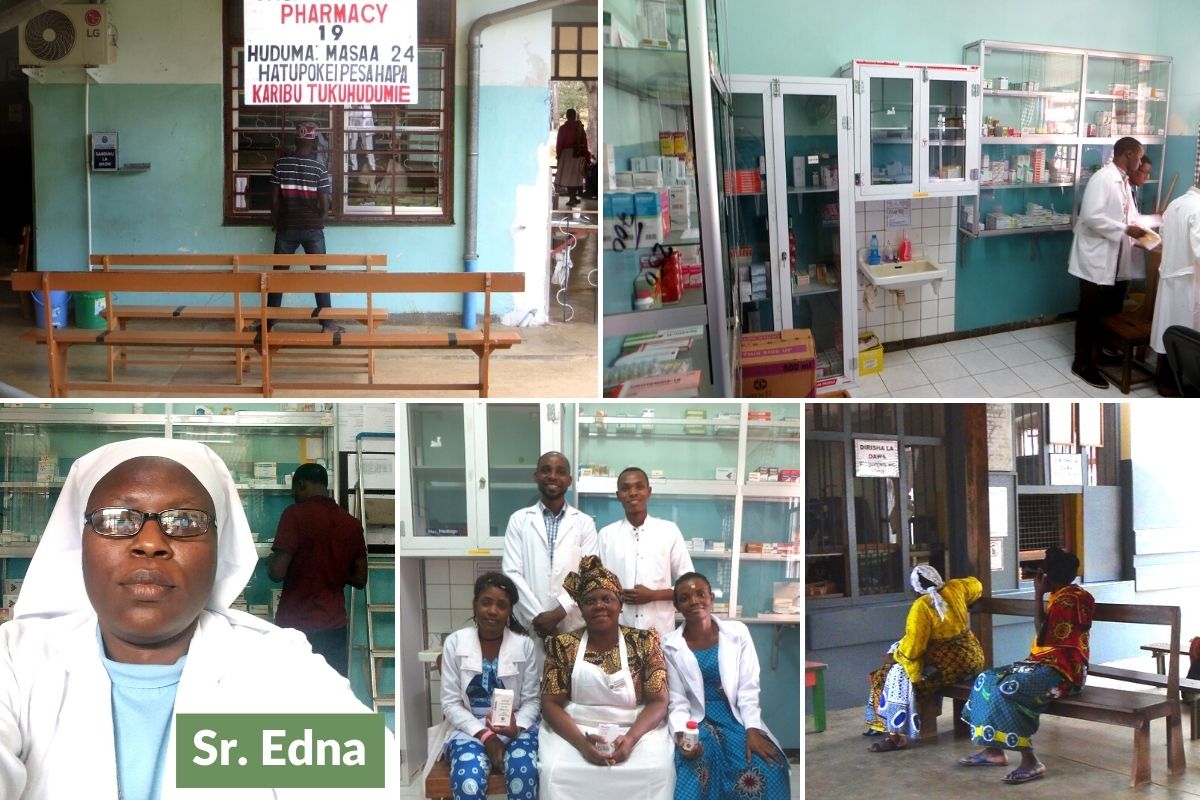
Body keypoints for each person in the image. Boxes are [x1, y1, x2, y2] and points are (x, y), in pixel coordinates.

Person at [0, 438, 395, 798]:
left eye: (185, 521)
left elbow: (366, 779)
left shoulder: (276, 665)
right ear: (78, 541)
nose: (150, 543)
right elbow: (358, 577)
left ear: (219, 547)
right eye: (117, 518)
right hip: (334, 620)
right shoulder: (16, 660)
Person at [539, 555, 675, 799]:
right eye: (590, 600)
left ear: (620, 603)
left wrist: (631, 739)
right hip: (577, 728)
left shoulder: (644, 642)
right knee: (555, 771)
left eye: (607, 598)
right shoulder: (563, 645)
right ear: (580, 608)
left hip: (634, 727)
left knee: (657, 771)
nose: (599, 605)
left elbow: (659, 701)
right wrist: (582, 745)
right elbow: (550, 704)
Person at [958, 546, 1094, 785]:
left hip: (1064, 675)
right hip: (1042, 665)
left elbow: (1042, 633)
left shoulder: (1069, 600)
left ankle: (1030, 761)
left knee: (1008, 689)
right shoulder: (1063, 595)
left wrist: (1037, 594)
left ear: (1048, 577)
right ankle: (993, 751)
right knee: (986, 679)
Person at [663, 572, 790, 800]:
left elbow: (748, 688)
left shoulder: (738, 633)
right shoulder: (669, 644)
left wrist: (752, 729)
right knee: (697, 767)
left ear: (711, 598)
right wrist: (683, 736)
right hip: (696, 720)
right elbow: (677, 700)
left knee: (771, 767)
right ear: (676, 605)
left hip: (734, 716)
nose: (694, 601)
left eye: (700, 594)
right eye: (685, 598)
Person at [428, 572, 540, 800]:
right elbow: (450, 703)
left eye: (502, 605)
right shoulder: (455, 643)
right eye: (486, 602)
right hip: (469, 727)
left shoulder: (524, 645)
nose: (492, 611)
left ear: (509, 612)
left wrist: (515, 728)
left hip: (515, 725)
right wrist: (486, 736)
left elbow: (532, 701)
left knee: (524, 771)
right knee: (467, 779)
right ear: (474, 605)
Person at [863, 564, 985, 751]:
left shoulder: (922, 607)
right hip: (971, 658)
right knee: (902, 675)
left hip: (944, 664)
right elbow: (976, 585)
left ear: (915, 589)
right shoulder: (956, 588)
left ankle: (894, 735)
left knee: (888, 677)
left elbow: (913, 648)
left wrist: (894, 656)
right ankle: (910, 720)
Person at [268, 461, 368, 677]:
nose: (293, 495)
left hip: (295, 625)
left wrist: (271, 559)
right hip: (334, 626)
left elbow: (276, 573)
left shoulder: (294, 515)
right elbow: (360, 579)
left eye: (294, 490)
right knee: (331, 698)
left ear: (301, 484)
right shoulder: (351, 523)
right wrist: (334, 568)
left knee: (291, 695)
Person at [1068, 136, 1149, 388]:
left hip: (1110, 257)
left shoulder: (1123, 182)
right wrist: (1126, 229)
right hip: (1094, 257)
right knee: (1089, 311)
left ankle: (1099, 353)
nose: (1140, 160)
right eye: (1139, 155)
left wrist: (1146, 227)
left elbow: (1130, 216)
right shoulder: (1102, 179)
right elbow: (1092, 216)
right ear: (1127, 154)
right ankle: (1081, 363)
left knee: (1106, 309)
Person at [502, 451, 598, 641]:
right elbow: (511, 573)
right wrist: (539, 619)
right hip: (529, 625)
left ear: (569, 480)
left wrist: (556, 615)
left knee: (571, 671)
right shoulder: (519, 520)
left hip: (572, 625)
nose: (553, 476)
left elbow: (589, 575)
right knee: (531, 671)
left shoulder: (584, 523)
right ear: (536, 476)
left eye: (560, 472)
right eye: (546, 470)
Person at [598, 467, 694, 638]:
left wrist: (652, 595)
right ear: (618, 495)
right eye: (626, 488)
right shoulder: (607, 535)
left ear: (649, 492)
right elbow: (598, 586)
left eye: (639, 487)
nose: (633, 493)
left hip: (659, 632)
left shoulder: (668, 531)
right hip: (619, 631)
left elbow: (688, 585)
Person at [269, 120, 343, 334]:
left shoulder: (280, 165)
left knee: (278, 276)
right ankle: (327, 324)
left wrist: (277, 222)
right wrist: (319, 220)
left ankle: (269, 323)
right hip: (312, 228)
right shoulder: (319, 168)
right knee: (320, 275)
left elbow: (273, 201)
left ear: (295, 140)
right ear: (314, 144)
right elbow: (325, 203)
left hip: (287, 226)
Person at [1150, 179, 1200, 391]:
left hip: (1171, 276)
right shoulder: (1198, 209)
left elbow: (1163, 237)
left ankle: (1164, 379)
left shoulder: (1176, 203)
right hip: (1188, 282)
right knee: (1185, 334)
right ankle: (1180, 383)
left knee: (1167, 328)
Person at [555, 109, 590, 207]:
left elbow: (559, 143)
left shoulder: (563, 128)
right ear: (575, 116)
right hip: (578, 154)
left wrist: (559, 156)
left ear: (567, 116)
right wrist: (586, 156)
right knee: (575, 178)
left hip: (566, 155)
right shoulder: (580, 127)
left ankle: (572, 199)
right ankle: (573, 198)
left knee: (569, 178)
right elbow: (585, 143)